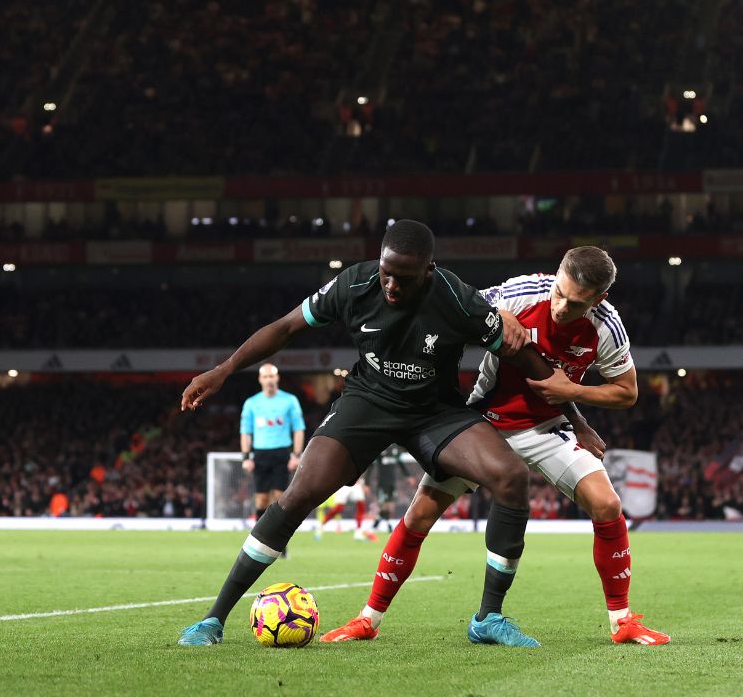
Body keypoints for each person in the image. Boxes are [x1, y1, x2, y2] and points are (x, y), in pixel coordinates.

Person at [177, 220, 553, 647]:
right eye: (385, 271)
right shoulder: (353, 284)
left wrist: (573, 414)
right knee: (298, 495)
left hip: (434, 411)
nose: (391, 285)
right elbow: (284, 328)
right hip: (367, 403)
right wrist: (224, 370)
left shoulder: (458, 299)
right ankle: (213, 620)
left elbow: (524, 355)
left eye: (404, 278)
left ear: (429, 271)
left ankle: (488, 618)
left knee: (512, 476)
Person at [321, 248, 669, 646]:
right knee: (420, 515)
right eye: (559, 292)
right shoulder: (521, 293)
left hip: (545, 428)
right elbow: (456, 307)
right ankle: (368, 619)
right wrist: (496, 315)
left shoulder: (607, 326)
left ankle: (622, 622)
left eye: (575, 303)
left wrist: (573, 394)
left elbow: (627, 392)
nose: (560, 307)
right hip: (484, 423)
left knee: (607, 505)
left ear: (598, 300)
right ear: (555, 276)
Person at [239, 363, 305, 521]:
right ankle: (260, 539)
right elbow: (246, 432)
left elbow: (298, 429)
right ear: (260, 379)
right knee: (261, 500)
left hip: (281, 453)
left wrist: (296, 455)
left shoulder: (290, 400)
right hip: (261, 454)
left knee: (279, 499)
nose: (269, 379)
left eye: (272, 376)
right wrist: (246, 458)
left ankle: (277, 543)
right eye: (265, 376)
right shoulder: (251, 403)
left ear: (277, 377)